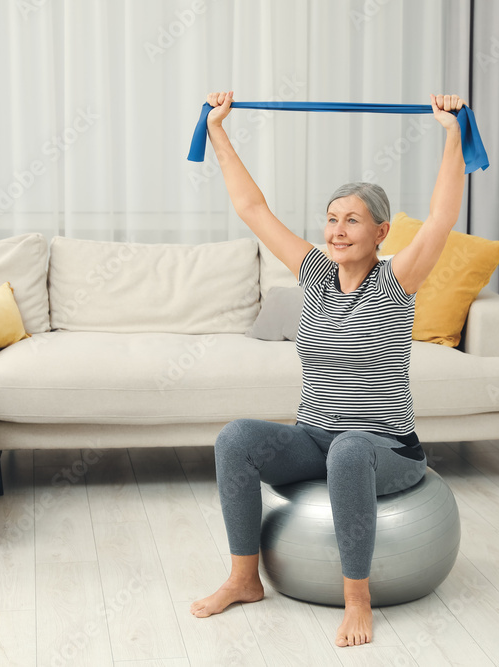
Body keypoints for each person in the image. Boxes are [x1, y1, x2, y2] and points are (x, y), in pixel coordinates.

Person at [190, 90, 468, 647]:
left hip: (385, 448)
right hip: (314, 438)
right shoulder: (314, 272)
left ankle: (356, 599)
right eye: (331, 219)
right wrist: (217, 128)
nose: (337, 231)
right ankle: (245, 578)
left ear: (381, 233)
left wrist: (452, 132)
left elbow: (441, 217)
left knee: (349, 448)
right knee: (235, 438)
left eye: (353, 221)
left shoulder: (397, 281)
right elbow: (252, 208)